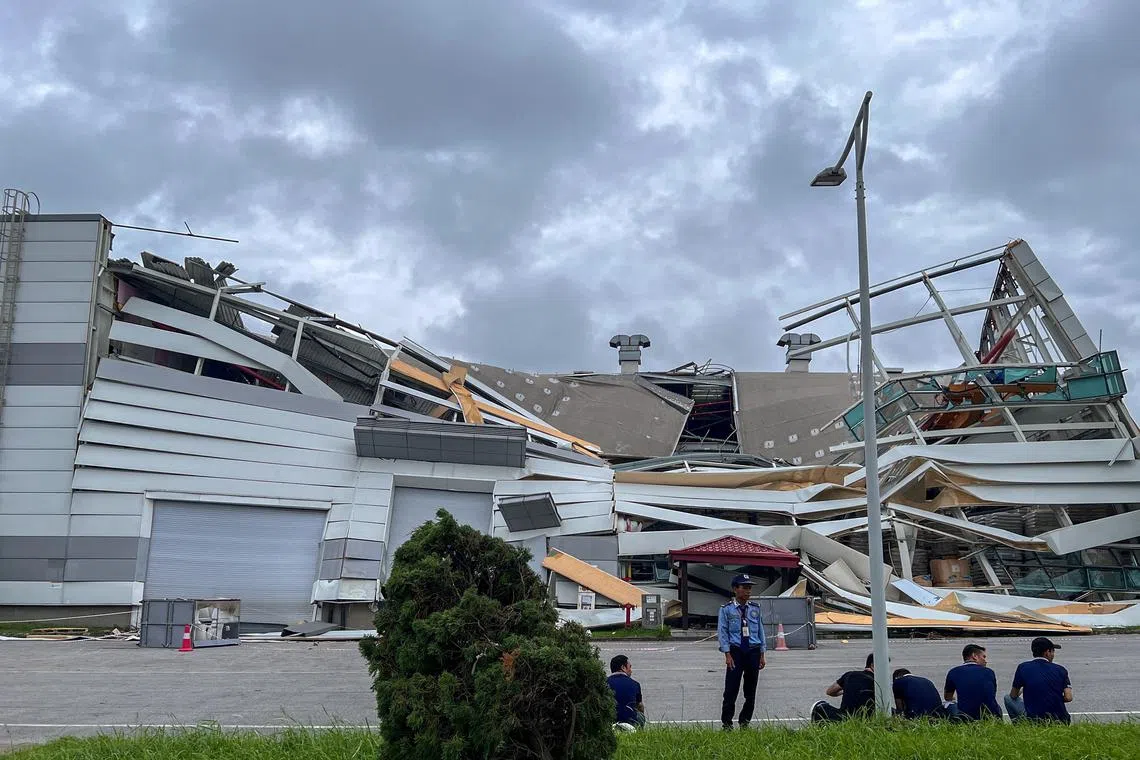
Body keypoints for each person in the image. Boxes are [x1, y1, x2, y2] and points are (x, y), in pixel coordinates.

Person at [717, 574, 767, 730]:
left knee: (750, 690)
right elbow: (723, 632)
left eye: (749, 588)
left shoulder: (755, 608)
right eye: (744, 587)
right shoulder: (726, 609)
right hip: (736, 651)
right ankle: (727, 723)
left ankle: (745, 721)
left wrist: (762, 653)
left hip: (753, 651)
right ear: (735, 589)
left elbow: (760, 630)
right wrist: (727, 654)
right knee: (731, 689)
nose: (748, 591)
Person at [1005, 637, 1073, 723]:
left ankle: (1020, 725)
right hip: (1061, 720)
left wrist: (1026, 690)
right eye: (1053, 651)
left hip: (1034, 720)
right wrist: (1054, 698)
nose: (1053, 655)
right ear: (1047, 652)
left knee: (1007, 698)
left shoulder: (1023, 667)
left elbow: (1013, 695)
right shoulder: (1061, 670)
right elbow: (1068, 697)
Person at [944, 643, 1002, 721]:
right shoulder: (989, 672)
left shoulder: (953, 672)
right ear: (974, 656)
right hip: (991, 716)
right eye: (983, 657)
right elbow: (991, 694)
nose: (985, 661)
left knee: (947, 704)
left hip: (966, 718)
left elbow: (947, 697)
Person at [811, 653, 876, 722]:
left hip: (844, 717)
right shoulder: (878, 681)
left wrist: (847, 690)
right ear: (872, 665)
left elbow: (830, 692)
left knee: (820, 705)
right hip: (868, 719)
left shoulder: (850, 675)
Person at [606, 654, 646, 729]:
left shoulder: (604, 683)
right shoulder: (635, 684)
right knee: (639, 714)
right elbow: (640, 706)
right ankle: (639, 731)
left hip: (609, 721)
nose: (631, 671)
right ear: (623, 667)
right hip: (630, 723)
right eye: (629, 667)